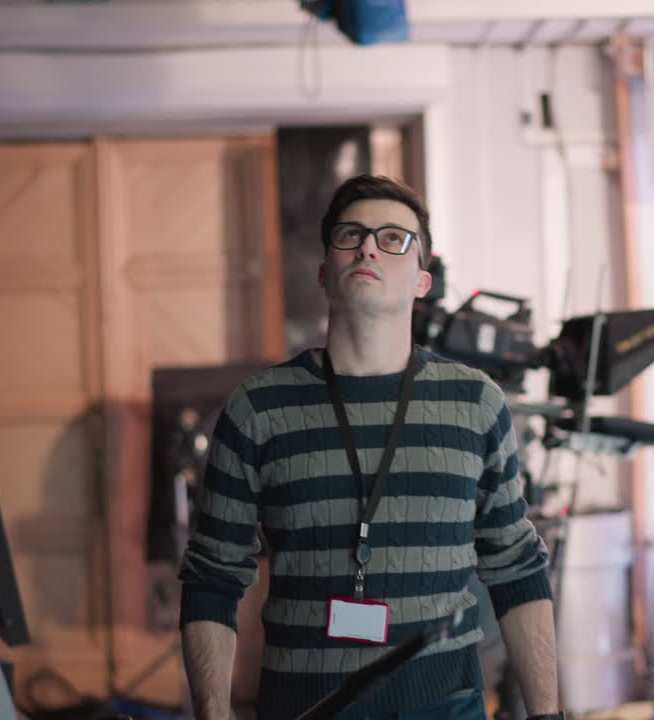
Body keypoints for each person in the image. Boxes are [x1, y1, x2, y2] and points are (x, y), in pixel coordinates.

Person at [178, 174, 561, 720]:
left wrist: (547, 715)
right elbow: (212, 575)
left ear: (423, 280)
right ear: (323, 271)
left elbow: (517, 566)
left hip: (442, 706)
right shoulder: (257, 408)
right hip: (305, 708)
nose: (368, 248)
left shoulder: (476, 403)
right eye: (350, 234)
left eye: (393, 238)